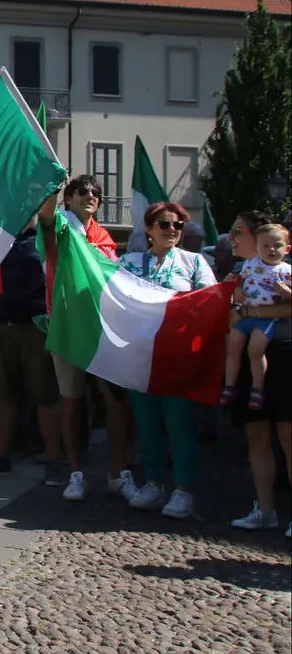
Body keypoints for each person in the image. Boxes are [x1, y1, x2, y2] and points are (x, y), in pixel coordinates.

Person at [115, 201, 217, 519]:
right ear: (149, 229)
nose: (172, 230)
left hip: (179, 356)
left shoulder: (194, 262)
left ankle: (183, 490)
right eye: (165, 225)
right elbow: (116, 297)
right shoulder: (130, 262)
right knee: (146, 423)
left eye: (177, 225)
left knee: (179, 421)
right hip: (141, 356)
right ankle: (154, 482)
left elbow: (211, 300)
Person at [39, 180, 136, 503]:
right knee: (71, 402)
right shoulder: (63, 228)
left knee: (116, 402)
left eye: (96, 193)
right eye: (83, 192)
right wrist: (52, 189)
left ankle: (118, 473)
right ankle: (76, 474)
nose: (91, 197)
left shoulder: (105, 239)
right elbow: (48, 219)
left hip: (103, 327)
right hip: (67, 325)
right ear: (69, 198)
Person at [0, 219, 58, 482]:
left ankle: (53, 459)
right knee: (2, 393)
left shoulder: (43, 236)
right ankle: (0, 456)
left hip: (35, 326)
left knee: (45, 394)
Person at [224, 210, 292, 535]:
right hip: (253, 362)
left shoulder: (285, 268)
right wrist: (236, 304)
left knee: (289, 436)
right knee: (257, 434)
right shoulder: (240, 273)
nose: (232, 237)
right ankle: (265, 510)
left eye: (238, 231)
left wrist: (249, 310)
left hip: (284, 357)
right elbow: (229, 317)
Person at [221, 224, 289, 410]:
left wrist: (287, 292)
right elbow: (239, 280)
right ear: (257, 249)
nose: (272, 250)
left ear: (287, 248)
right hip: (244, 314)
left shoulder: (287, 271)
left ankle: (257, 388)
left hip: (267, 318)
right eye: (265, 246)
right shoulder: (250, 264)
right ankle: (229, 386)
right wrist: (236, 289)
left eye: (277, 245)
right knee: (233, 347)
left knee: (255, 350)